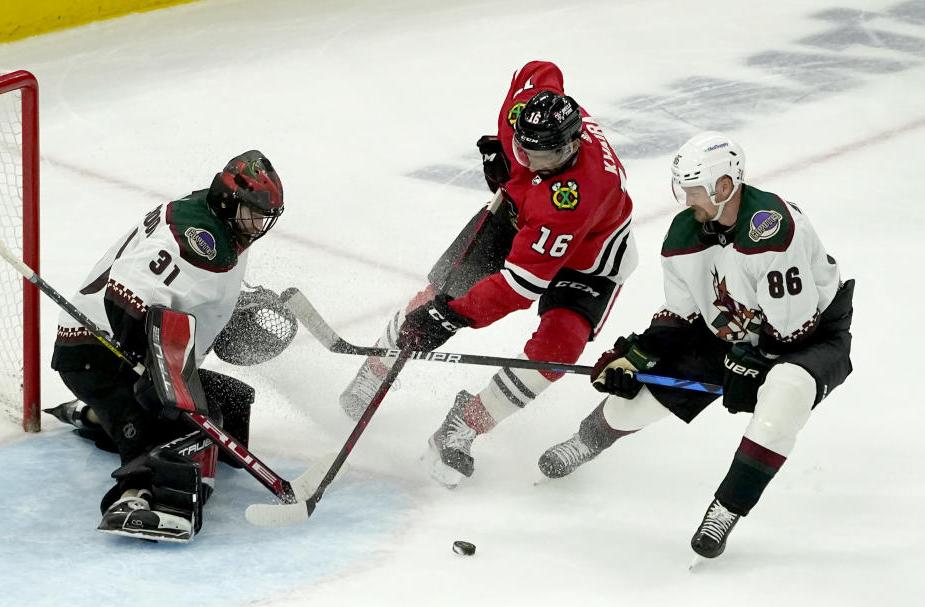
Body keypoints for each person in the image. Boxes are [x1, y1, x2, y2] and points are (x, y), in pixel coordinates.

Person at [538, 131, 855, 559]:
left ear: (724, 186)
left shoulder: (771, 229)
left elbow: (793, 330)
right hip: (739, 335)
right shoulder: (686, 235)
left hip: (809, 336)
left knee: (784, 394)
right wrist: (637, 355)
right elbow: (683, 313)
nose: (687, 201)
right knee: (644, 396)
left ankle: (725, 509)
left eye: (694, 190)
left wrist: (752, 369)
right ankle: (585, 441)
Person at [340, 61, 637, 487]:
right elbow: (541, 69)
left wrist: (453, 315)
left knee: (556, 352)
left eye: (545, 156)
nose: (531, 161)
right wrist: (504, 150)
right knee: (439, 291)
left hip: (589, 260)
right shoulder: (528, 113)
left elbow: (519, 286)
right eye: (524, 149)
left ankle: (465, 423)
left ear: (572, 146)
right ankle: (374, 370)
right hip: (520, 218)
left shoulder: (576, 196)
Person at [48, 150, 286, 542]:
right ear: (229, 198)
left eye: (265, 216)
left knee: (227, 408)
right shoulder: (193, 240)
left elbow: (186, 296)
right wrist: (149, 368)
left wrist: (231, 315)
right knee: (155, 438)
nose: (259, 224)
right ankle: (133, 498)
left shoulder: (223, 228)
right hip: (95, 350)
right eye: (254, 212)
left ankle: (97, 417)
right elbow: (125, 296)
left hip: (137, 344)